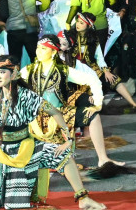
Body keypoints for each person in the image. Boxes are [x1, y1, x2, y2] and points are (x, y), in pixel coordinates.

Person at [0, 55, 104, 210]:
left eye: (2, 72)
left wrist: (67, 140)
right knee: (7, 204)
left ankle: (83, 198)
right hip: (0, 152)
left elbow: (55, 112)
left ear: (14, 74)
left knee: (64, 156)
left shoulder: (26, 96)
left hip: (26, 147)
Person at [20, 35, 121, 167]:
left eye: (44, 49)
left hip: (59, 116)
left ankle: (103, 158)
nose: (39, 51)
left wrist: (97, 103)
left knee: (93, 116)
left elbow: (92, 79)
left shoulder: (63, 70)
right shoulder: (28, 70)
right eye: (38, 48)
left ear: (54, 51)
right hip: (35, 118)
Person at [68, 12, 136, 109]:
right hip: (74, 68)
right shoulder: (70, 36)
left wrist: (106, 71)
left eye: (81, 23)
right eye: (78, 22)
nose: (78, 25)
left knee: (113, 79)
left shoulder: (94, 39)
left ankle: (133, 104)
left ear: (88, 26)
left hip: (91, 67)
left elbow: (99, 58)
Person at [1, 0, 51, 64]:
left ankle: (14, 80)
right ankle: (35, 79)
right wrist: (37, 10)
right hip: (30, 29)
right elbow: (46, 3)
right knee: (36, 59)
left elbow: (3, 13)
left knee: (14, 61)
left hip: (13, 30)